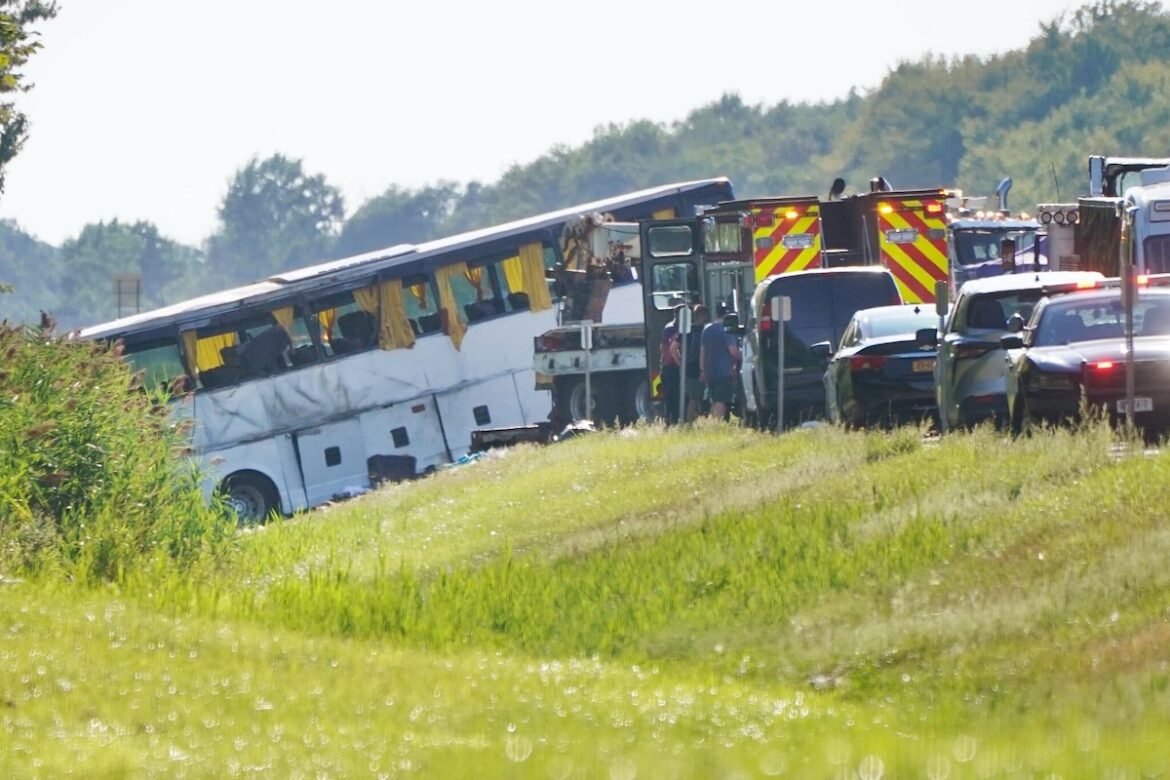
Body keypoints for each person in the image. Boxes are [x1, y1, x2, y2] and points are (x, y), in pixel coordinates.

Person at [699, 305, 741, 420]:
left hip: (709, 371)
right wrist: (744, 358)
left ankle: (712, 423)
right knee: (721, 400)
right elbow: (733, 351)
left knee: (714, 400)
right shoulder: (726, 330)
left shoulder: (707, 329)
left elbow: (702, 352)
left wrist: (702, 370)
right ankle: (717, 425)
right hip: (723, 371)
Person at [682, 304, 709, 422]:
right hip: (698, 368)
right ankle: (690, 422)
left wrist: (681, 363)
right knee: (695, 398)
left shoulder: (687, 330)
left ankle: (695, 421)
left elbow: (674, 348)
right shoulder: (704, 330)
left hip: (688, 368)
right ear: (702, 315)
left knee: (695, 398)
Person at [659, 304, 684, 425]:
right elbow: (670, 349)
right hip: (671, 367)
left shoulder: (678, 328)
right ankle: (672, 421)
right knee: (672, 397)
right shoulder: (671, 329)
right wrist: (681, 364)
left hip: (673, 366)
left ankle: (676, 421)